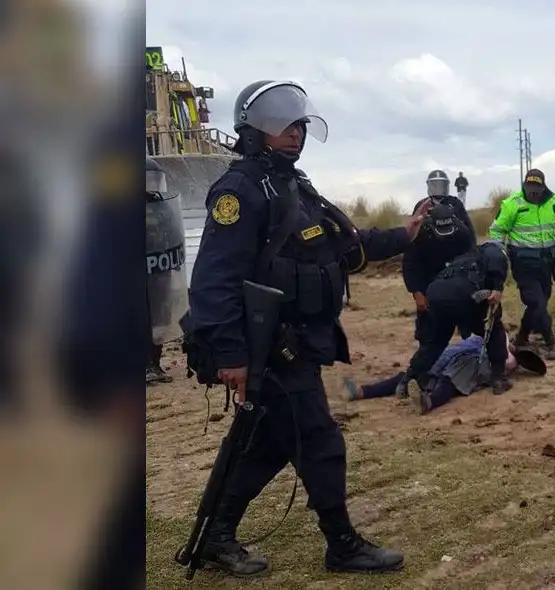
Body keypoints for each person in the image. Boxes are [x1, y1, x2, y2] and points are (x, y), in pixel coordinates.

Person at [182, 79, 431, 577]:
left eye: (298, 124)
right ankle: (342, 545)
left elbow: (343, 246)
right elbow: (214, 281)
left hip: (301, 341)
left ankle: (216, 536)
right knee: (319, 440)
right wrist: (231, 355)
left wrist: (402, 236)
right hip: (270, 348)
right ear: (253, 130)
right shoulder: (240, 191)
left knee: (270, 442)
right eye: (282, 125)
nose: (294, 133)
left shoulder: (296, 187)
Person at [397, 169, 477, 396]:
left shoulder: (456, 207)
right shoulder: (421, 207)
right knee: (431, 334)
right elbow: (411, 257)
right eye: (435, 183)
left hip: (456, 277)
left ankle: (471, 361)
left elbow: (470, 242)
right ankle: (413, 377)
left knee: (471, 324)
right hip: (429, 278)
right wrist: (416, 291)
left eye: (442, 183)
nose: (438, 188)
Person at [343, 327, 547, 414]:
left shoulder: (506, 359)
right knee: (415, 375)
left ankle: (428, 402)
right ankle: (363, 391)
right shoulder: (500, 341)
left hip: (465, 364)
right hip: (452, 357)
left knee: (447, 383)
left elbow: (506, 357)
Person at [398, 241, 510, 394]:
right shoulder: (493, 250)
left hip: (436, 293)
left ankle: (407, 380)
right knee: (495, 330)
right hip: (466, 294)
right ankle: (499, 379)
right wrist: (497, 287)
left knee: (435, 342)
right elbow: (496, 259)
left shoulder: (464, 256)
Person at [488, 169, 555, 359]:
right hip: (523, 264)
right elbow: (496, 231)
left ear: (543, 186)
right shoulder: (512, 204)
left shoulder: (554, 201)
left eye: (536, 187)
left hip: (546, 263)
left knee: (540, 303)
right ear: (524, 185)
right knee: (537, 303)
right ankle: (550, 342)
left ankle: (522, 337)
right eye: (529, 187)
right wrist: (500, 253)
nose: (533, 191)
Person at [145, 156, 185, 385]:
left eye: (155, 179)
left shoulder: (162, 204)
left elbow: (173, 232)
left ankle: (154, 364)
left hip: (160, 273)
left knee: (160, 320)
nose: (151, 184)